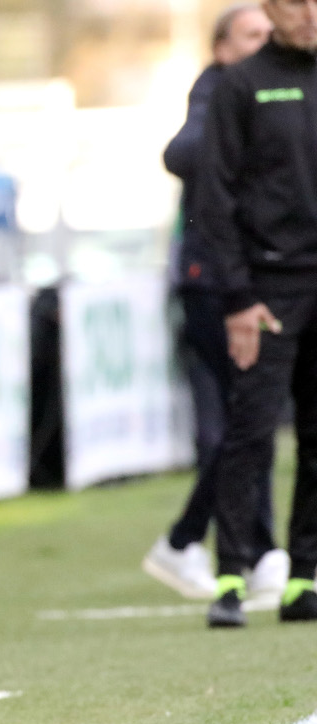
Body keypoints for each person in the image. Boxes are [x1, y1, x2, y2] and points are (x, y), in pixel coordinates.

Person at [143, 3, 286, 602]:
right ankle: (205, 544)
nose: (264, 44)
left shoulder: (273, 90)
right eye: (251, 35)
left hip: (250, 278)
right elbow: (182, 154)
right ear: (222, 48)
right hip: (214, 282)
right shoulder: (222, 92)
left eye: (268, 35)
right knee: (247, 420)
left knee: (246, 421)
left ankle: (249, 550)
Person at [199, 0, 317, 627]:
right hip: (268, 291)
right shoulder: (242, 84)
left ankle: (305, 577)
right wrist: (239, 298)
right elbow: (214, 197)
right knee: (251, 435)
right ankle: (232, 577)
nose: (309, 13)